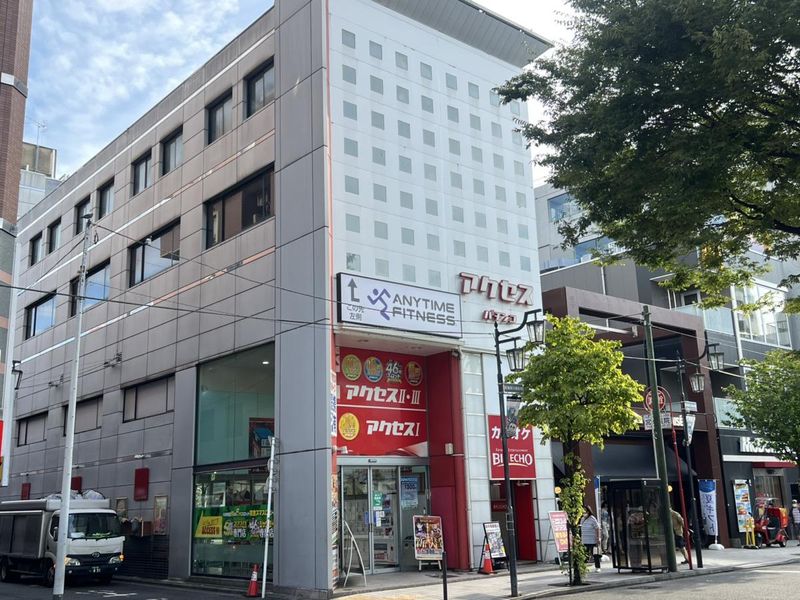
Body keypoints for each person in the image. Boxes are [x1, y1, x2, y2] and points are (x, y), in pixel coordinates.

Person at [580, 507, 602, 572]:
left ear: (588, 511)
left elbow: (597, 528)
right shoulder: (582, 519)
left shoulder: (592, 518)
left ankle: (597, 567)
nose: (584, 513)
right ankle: (584, 568)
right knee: (585, 555)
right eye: (583, 512)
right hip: (585, 540)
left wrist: (598, 538)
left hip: (592, 540)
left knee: (595, 554)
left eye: (585, 512)